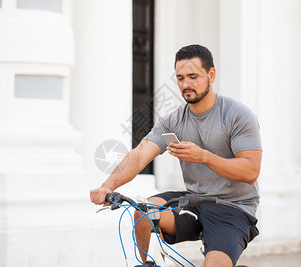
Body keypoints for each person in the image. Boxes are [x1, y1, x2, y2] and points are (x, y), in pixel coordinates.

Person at [90, 44, 262, 267]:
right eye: (180, 78)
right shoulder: (173, 121)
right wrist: (107, 185)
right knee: (143, 213)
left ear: (211, 75)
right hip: (194, 201)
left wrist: (203, 156)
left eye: (193, 76)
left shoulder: (237, 115)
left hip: (232, 208)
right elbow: (140, 155)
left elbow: (250, 171)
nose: (186, 84)